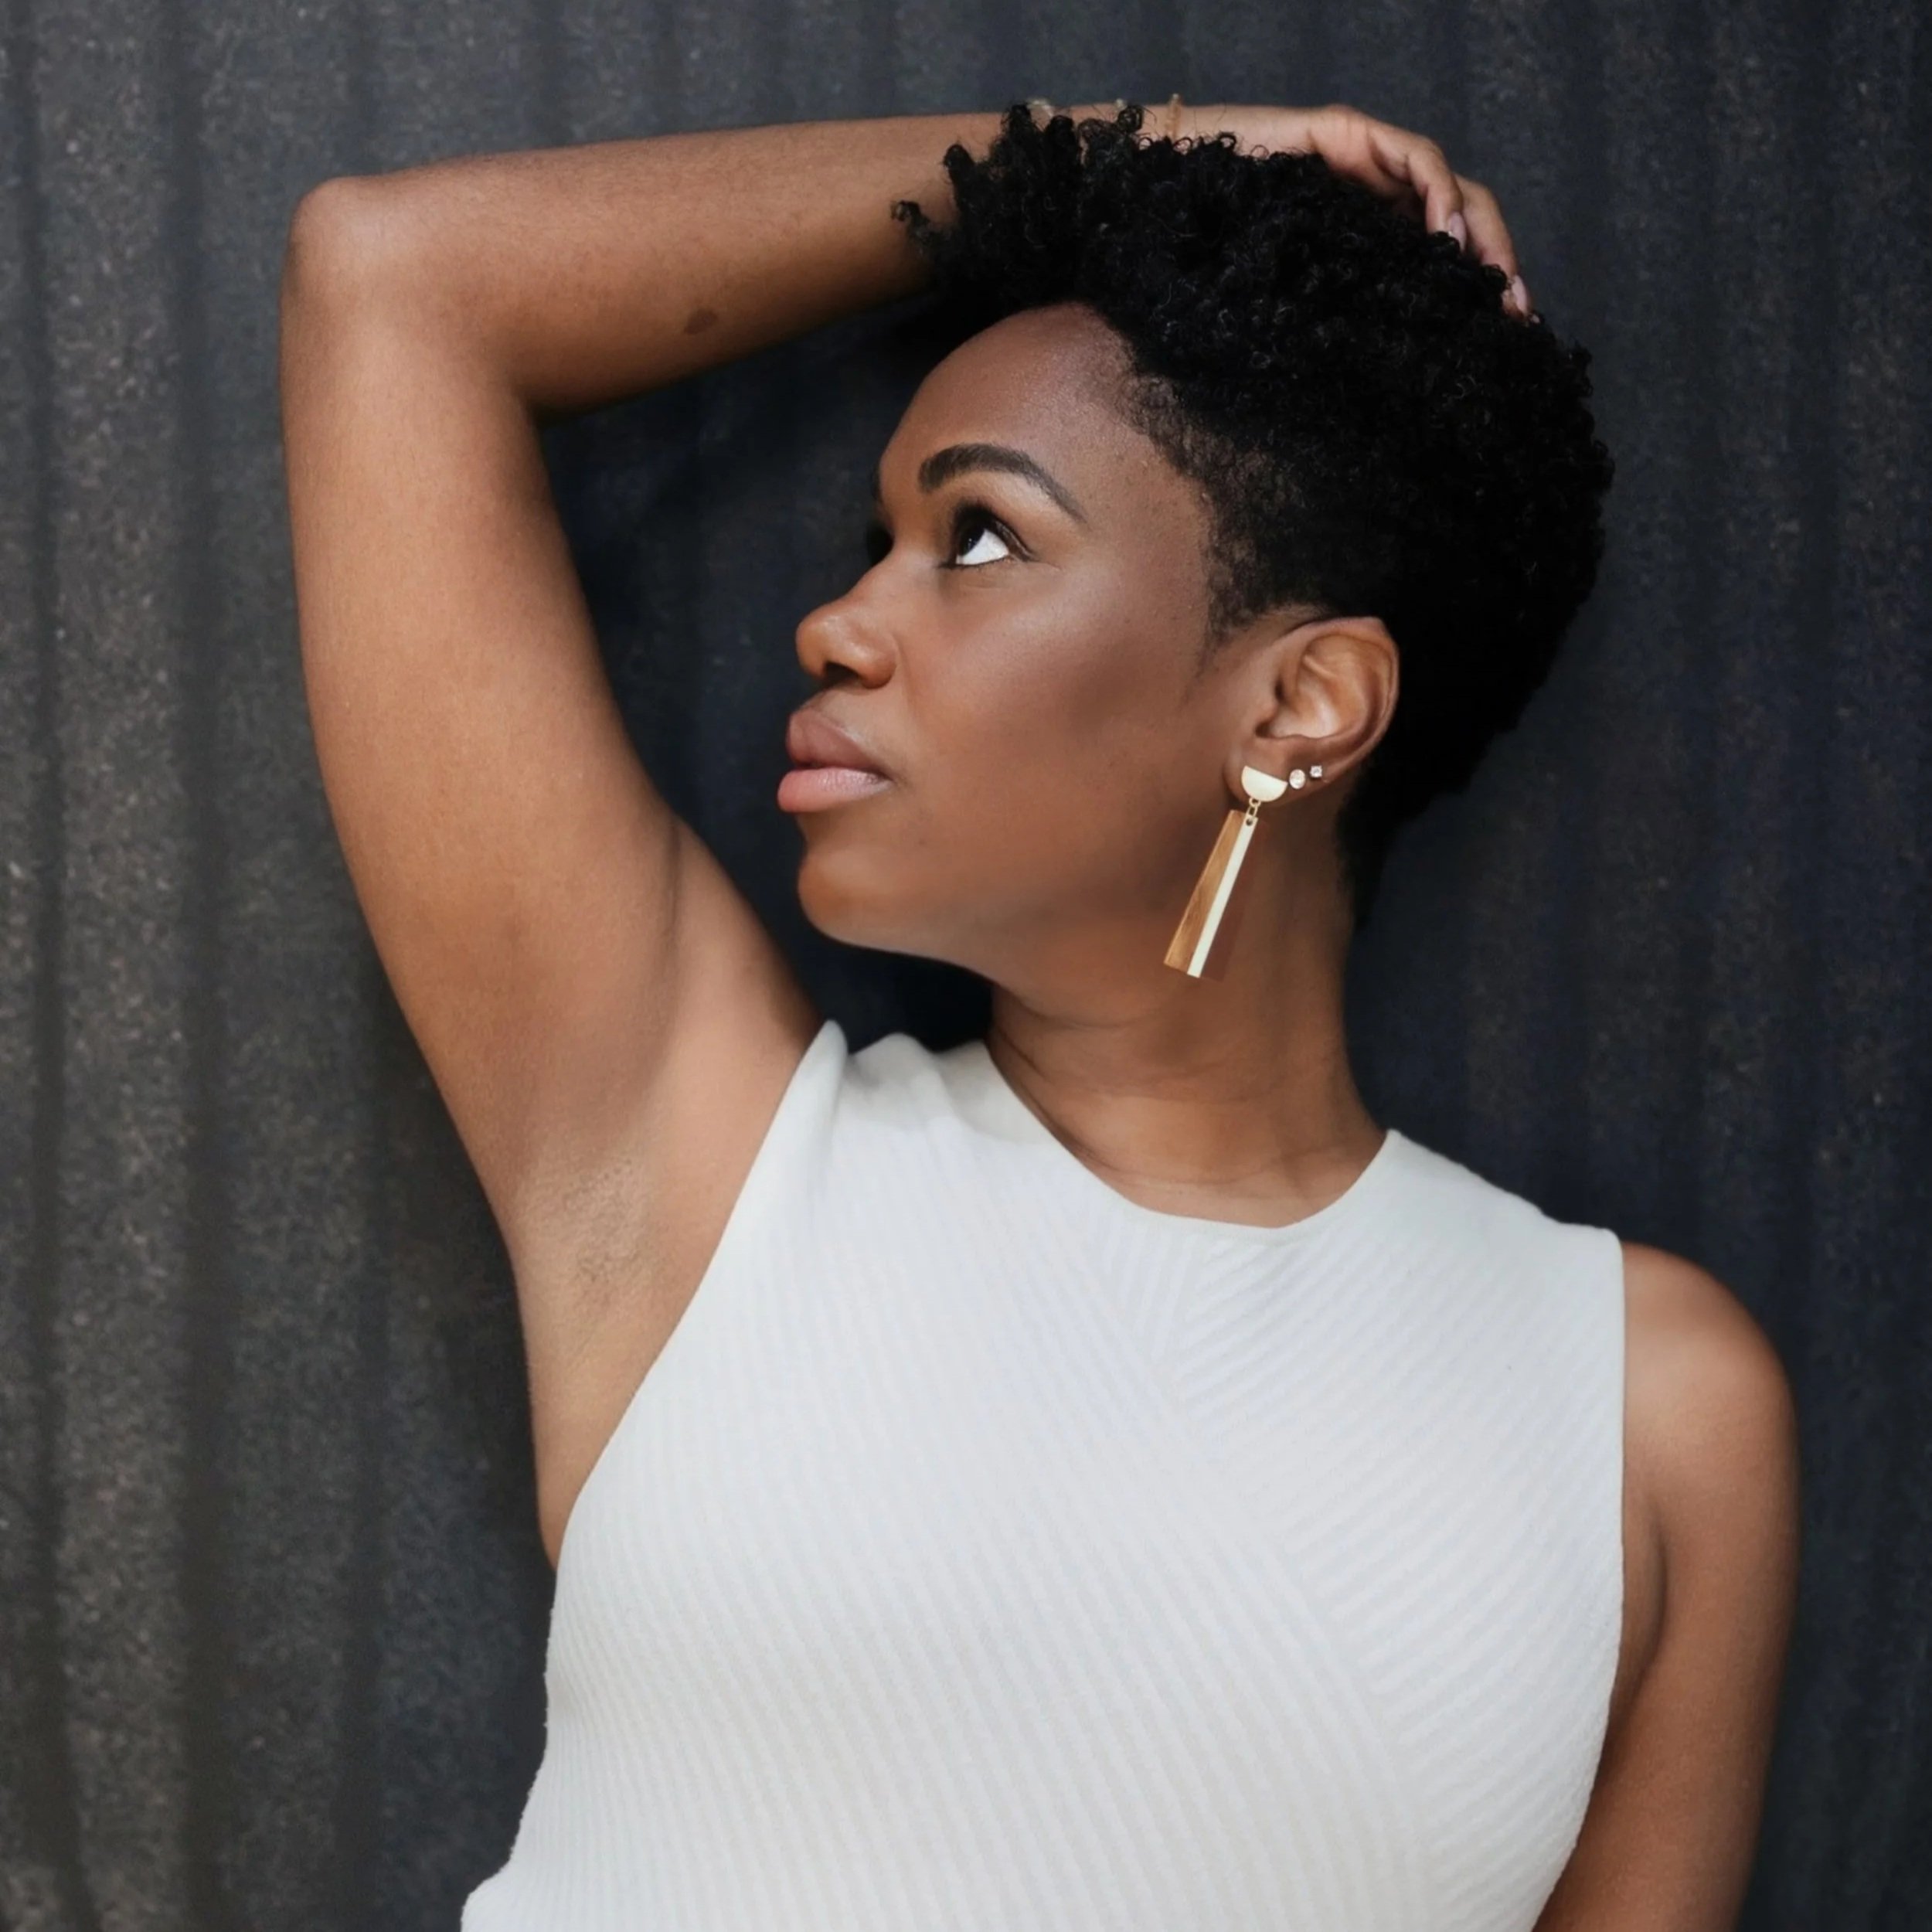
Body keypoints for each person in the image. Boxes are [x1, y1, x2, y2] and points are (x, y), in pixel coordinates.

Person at [279, 97, 1799, 1931]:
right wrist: (1114, 156)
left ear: (1299, 702)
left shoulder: (1645, 1406)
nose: (837, 622)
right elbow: (397, 284)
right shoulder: (703, 1167)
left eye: (978, 538)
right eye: (873, 538)